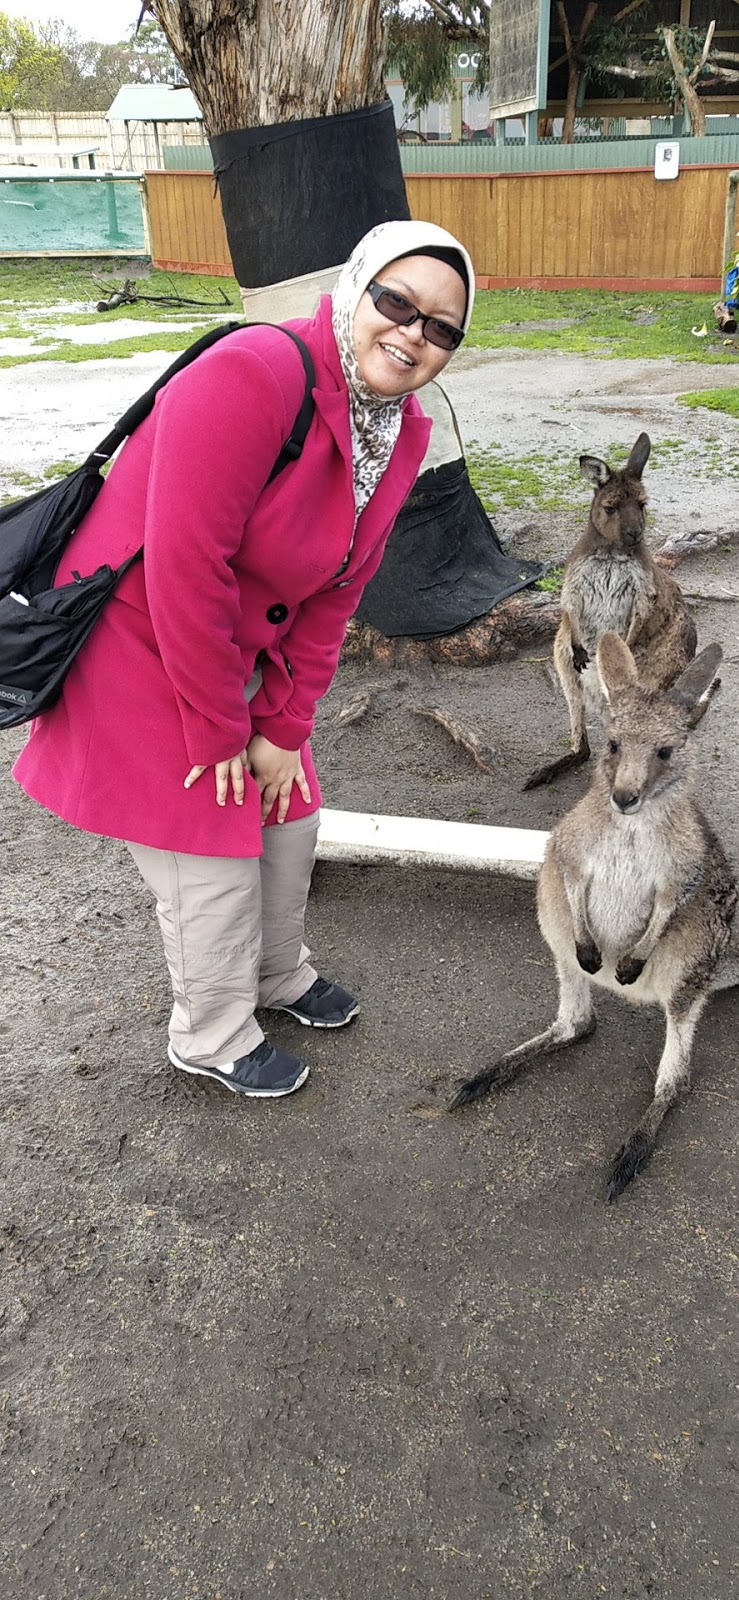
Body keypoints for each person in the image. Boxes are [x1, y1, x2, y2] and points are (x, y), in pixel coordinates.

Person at [13, 220, 474, 1097]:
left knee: (290, 808)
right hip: (139, 634)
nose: (414, 334)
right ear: (356, 289)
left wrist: (283, 723)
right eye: (397, 304)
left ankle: (275, 974)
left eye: (442, 327)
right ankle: (212, 1032)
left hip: (240, 641)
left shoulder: (400, 430)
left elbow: (340, 587)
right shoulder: (251, 373)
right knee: (210, 838)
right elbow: (185, 568)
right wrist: (223, 731)